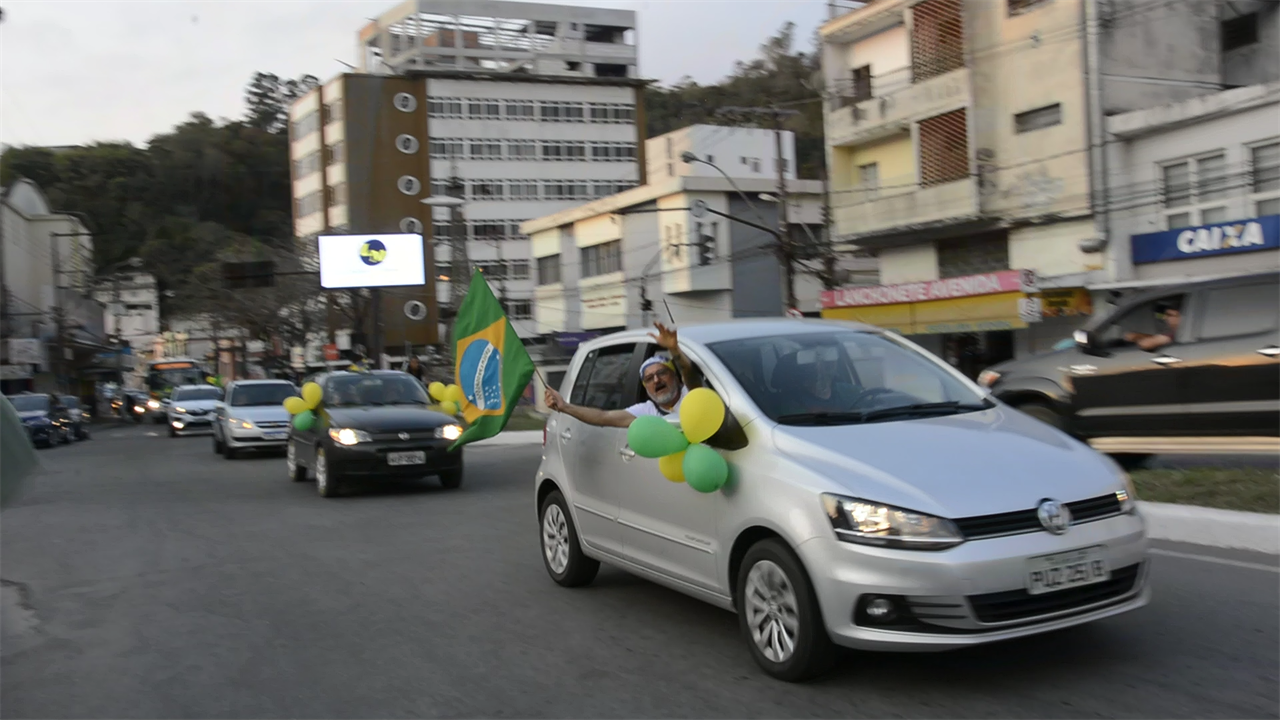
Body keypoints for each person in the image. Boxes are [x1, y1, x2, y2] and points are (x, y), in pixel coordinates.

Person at [544, 322, 701, 428]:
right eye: (648, 378)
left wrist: (674, 349)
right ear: (646, 388)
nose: (656, 379)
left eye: (662, 373)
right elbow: (603, 417)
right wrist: (564, 406)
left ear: (675, 377)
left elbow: (689, 374)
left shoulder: (691, 393)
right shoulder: (646, 411)